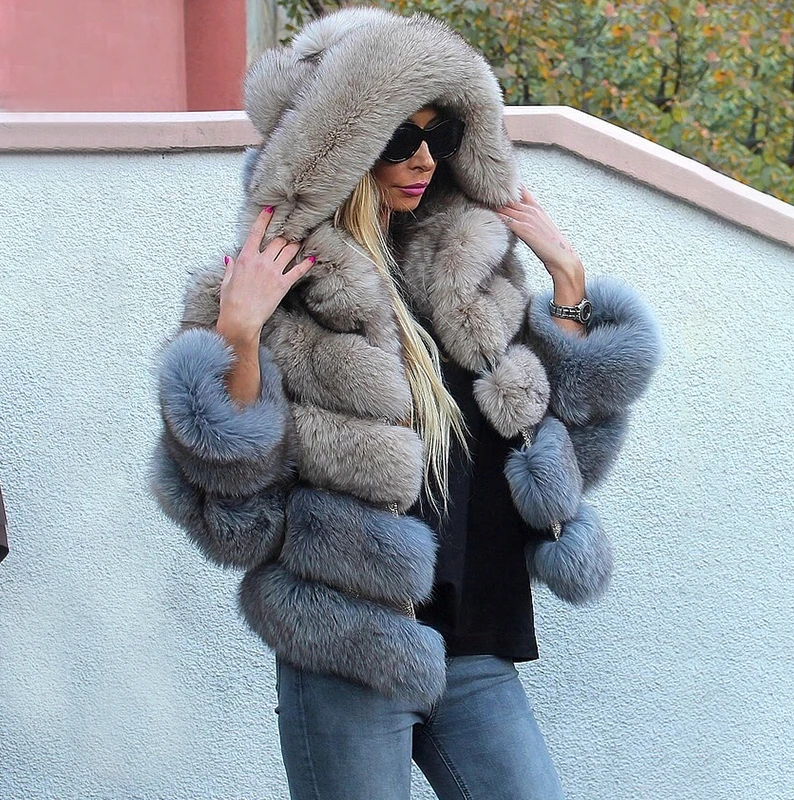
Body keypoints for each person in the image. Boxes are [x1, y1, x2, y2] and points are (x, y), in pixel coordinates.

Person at [148, 7, 662, 799]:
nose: (423, 158)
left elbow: (563, 452)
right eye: (398, 138)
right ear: (342, 148)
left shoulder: (470, 281)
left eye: (441, 135)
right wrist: (239, 334)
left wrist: (567, 280)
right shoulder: (269, 290)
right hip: (350, 654)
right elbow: (232, 513)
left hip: (476, 641)